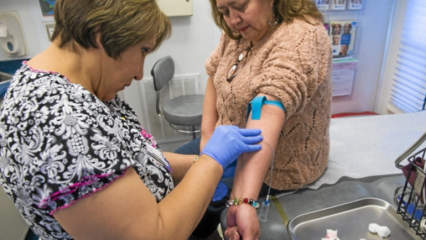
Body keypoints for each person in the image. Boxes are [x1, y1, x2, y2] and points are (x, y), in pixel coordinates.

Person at [0, 0, 265, 239]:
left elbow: (131, 156)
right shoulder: (60, 120)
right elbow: (152, 235)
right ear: (101, 34)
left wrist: (197, 163)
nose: (140, 73)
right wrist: (211, 162)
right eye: (143, 50)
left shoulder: (79, 87)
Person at [175, 0, 332, 239]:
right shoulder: (237, 33)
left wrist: (242, 200)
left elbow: (269, 103)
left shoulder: (303, 35)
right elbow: (214, 75)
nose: (233, 20)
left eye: (240, 5)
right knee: (169, 177)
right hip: (225, 143)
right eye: (224, 12)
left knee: (195, 205)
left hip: (278, 166)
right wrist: (207, 137)